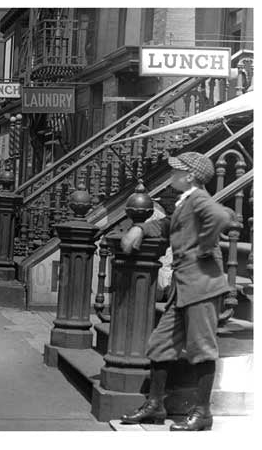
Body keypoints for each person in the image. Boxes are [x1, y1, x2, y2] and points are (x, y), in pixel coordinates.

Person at [120, 152, 233, 431]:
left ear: (190, 176)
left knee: (202, 349)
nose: (172, 176)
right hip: (183, 289)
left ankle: (202, 412)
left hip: (202, 287)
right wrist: (140, 228)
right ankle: (156, 404)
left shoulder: (199, 199)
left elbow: (221, 217)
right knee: (160, 344)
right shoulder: (186, 202)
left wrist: (204, 247)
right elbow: (168, 225)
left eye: (176, 171)